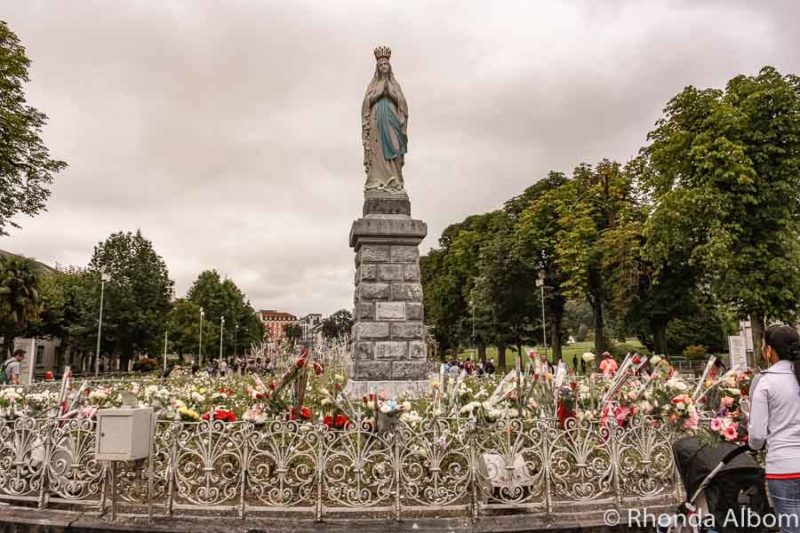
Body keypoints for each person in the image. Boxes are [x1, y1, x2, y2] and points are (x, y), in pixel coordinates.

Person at [748, 324, 800, 529]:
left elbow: (757, 437)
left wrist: (752, 444)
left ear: (769, 350)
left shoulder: (766, 382)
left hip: (783, 467)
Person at [361, 46, 408, 192]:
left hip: (392, 119)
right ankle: (379, 180)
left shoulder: (395, 85)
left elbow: (404, 105)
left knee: (395, 146)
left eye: (385, 64)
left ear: (389, 66)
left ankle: (396, 180)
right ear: (377, 68)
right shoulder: (373, 85)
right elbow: (365, 104)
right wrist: (379, 94)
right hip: (377, 122)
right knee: (378, 151)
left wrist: (392, 95)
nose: (383, 66)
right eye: (381, 64)